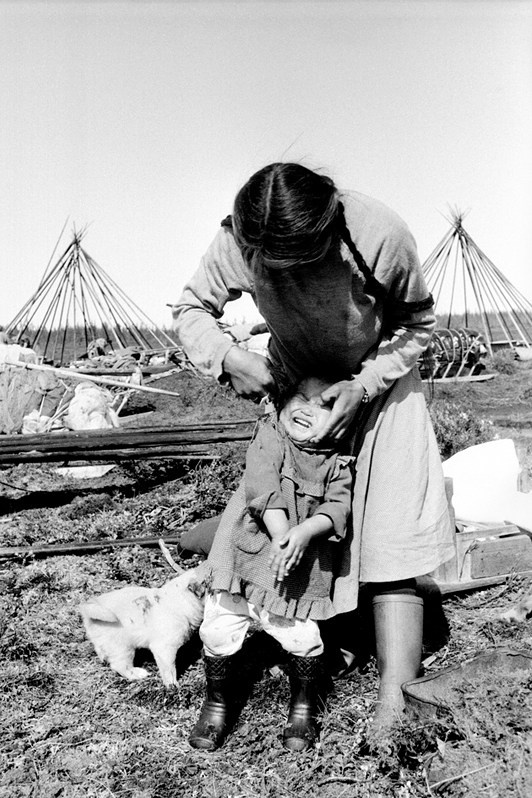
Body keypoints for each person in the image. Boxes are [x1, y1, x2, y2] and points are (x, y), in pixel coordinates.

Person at [173, 162, 455, 746]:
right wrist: (230, 358)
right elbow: (191, 309)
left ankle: (398, 698)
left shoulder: (376, 231)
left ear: (327, 232)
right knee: (279, 515)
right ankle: (316, 633)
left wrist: (364, 385)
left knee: (391, 523)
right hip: (298, 382)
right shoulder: (238, 238)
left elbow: (417, 321)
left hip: (377, 375)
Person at [189, 376, 353, 752]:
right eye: (299, 397)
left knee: (301, 636)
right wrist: (283, 534)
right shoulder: (271, 435)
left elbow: (338, 507)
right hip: (245, 559)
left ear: (340, 420)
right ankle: (216, 703)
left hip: (293, 572)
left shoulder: (337, 463)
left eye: (324, 405)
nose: (306, 409)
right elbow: (263, 484)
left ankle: (302, 707)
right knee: (218, 627)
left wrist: (306, 531)